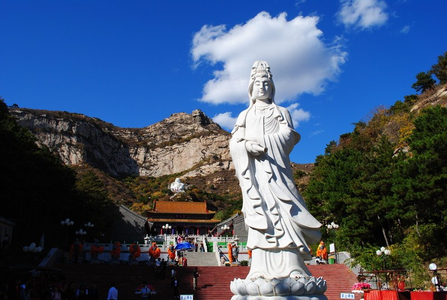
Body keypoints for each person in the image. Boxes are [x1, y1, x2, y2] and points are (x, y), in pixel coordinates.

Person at [229, 61, 322, 280]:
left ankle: (293, 266)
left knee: (284, 215)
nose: (262, 87)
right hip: (255, 177)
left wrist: (261, 142)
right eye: (258, 84)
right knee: (260, 215)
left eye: (266, 83)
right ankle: (259, 268)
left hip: (277, 173)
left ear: (272, 87)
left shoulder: (281, 112)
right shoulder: (244, 115)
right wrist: (245, 146)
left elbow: (289, 137)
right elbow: (234, 142)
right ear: (251, 88)